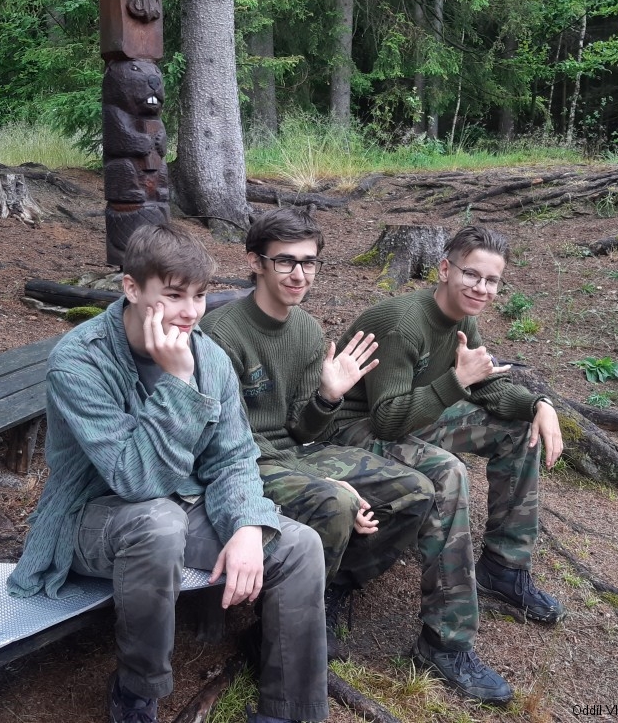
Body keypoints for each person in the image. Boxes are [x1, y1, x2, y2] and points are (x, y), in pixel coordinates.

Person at [6, 223, 329, 723]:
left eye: (199, 296)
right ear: (132, 288)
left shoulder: (209, 357)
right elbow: (135, 481)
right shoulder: (79, 361)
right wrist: (178, 384)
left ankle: (287, 710)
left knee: (298, 545)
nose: (191, 312)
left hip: (181, 504)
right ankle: (137, 689)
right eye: (174, 295)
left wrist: (247, 525)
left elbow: (233, 457)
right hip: (90, 517)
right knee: (159, 521)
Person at [200, 209, 513, 705]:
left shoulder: (305, 329)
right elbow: (225, 442)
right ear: (255, 263)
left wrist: (327, 397)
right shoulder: (220, 333)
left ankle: (331, 587)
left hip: (294, 454)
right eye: (285, 262)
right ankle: (273, 634)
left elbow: (302, 430)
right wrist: (325, 480)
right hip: (244, 465)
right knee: (338, 503)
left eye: (309, 262)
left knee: (416, 491)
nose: (299, 274)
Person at [323, 225, 567, 640]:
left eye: (492, 280)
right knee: (447, 470)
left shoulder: (462, 317)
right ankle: (445, 637)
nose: (481, 288)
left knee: (517, 429)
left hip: (410, 414)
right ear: (444, 269)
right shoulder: (403, 323)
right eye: (471, 274)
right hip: (350, 427)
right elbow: (386, 421)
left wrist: (538, 405)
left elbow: (484, 384)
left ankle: (504, 567)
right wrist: (457, 380)